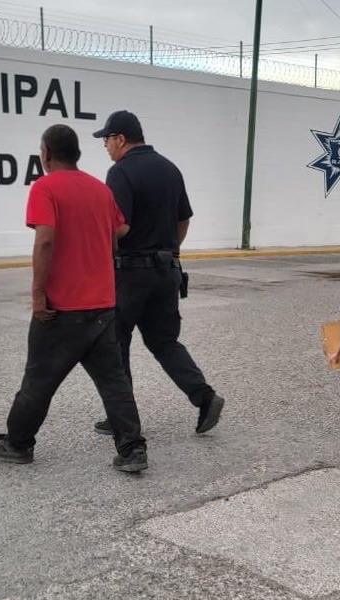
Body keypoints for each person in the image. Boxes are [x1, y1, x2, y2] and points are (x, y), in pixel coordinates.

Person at [0, 124, 148, 473]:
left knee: (38, 381)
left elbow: (46, 240)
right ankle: (132, 449)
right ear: (77, 153)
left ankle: (19, 444)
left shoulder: (46, 186)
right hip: (102, 307)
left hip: (61, 309)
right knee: (114, 384)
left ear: (47, 154)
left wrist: (38, 294)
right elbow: (118, 235)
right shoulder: (100, 190)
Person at [92, 110, 224, 436]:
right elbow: (184, 221)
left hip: (130, 275)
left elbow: (120, 226)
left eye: (107, 140)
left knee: (115, 344)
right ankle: (204, 397)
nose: (105, 146)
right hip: (167, 271)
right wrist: (165, 252)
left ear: (121, 139)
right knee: (165, 342)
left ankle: (121, 417)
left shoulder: (120, 172)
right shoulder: (169, 168)